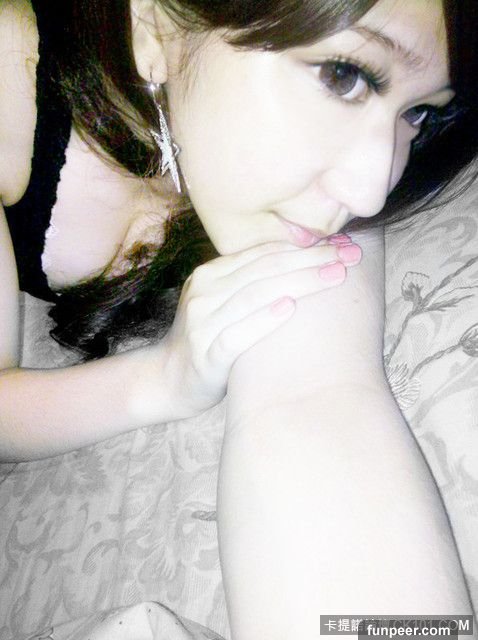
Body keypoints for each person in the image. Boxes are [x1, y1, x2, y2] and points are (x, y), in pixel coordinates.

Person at [0, 0, 477, 627]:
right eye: (342, 76)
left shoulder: (334, 184)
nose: (371, 189)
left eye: (417, 112)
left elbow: (320, 391)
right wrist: (162, 378)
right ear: (153, 24)